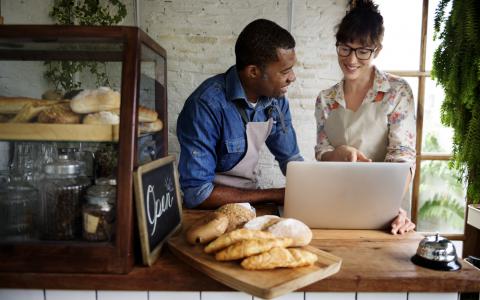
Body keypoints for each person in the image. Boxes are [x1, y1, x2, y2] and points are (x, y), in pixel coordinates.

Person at [177, 19, 303, 209]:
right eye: (285, 71)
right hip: (209, 209)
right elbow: (197, 194)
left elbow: (291, 160)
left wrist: (309, 188)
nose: (292, 77)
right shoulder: (205, 105)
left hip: (250, 202)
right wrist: (274, 195)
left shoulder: (276, 100)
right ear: (253, 71)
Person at [314, 0, 416, 234]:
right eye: (345, 48)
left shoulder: (397, 91)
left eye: (362, 51)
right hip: (334, 203)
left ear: (377, 50)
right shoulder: (325, 99)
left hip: (384, 211)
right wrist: (335, 154)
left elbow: (402, 156)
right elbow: (322, 151)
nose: (351, 60)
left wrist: (387, 207)